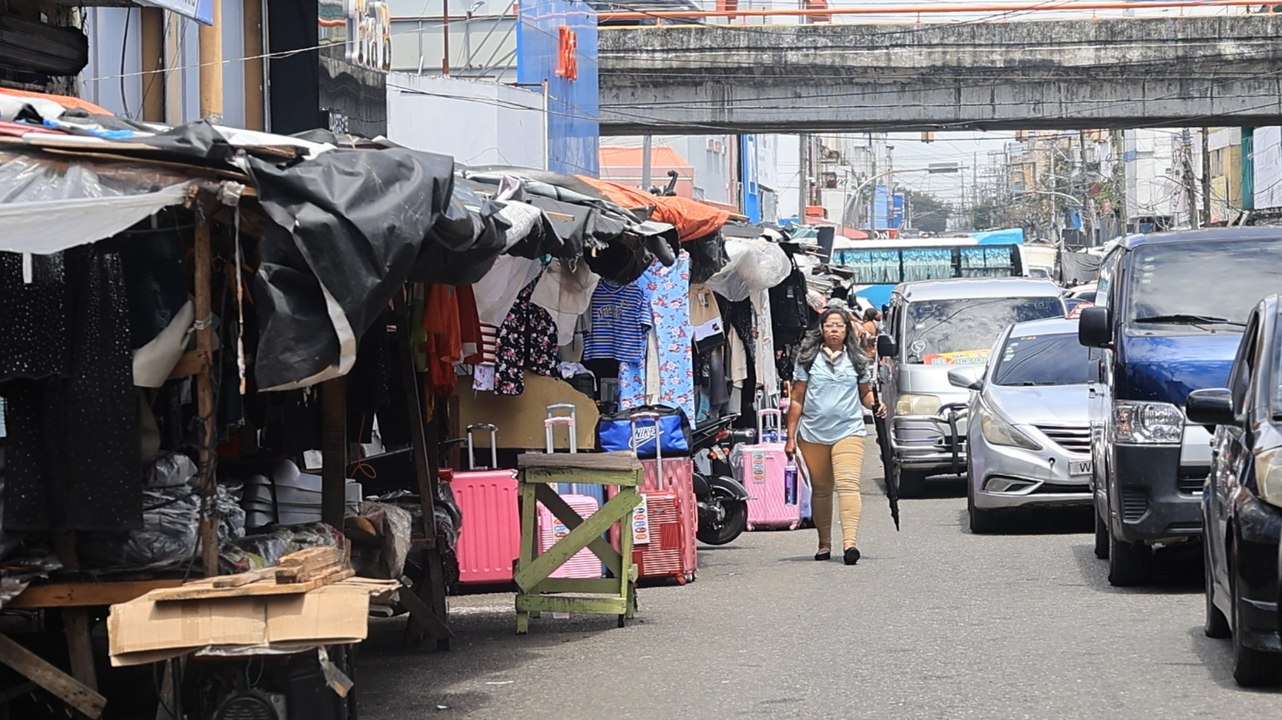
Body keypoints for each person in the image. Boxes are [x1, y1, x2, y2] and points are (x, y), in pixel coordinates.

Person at [784, 307, 883, 565]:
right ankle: (824, 543)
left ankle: (850, 543)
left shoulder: (857, 359)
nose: (834, 330)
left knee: (849, 483)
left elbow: (865, 394)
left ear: (847, 330)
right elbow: (796, 400)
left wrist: (875, 405)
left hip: (849, 430)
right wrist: (790, 437)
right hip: (813, 434)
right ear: (822, 329)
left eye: (839, 325)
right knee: (822, 489)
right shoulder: (807, 359)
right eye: (829, 325)